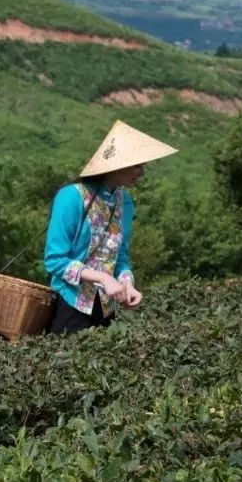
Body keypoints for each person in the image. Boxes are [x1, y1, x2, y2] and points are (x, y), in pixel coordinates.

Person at [43, 120, 176, 334]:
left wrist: (127, 284)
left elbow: (120, 256)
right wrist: (103, 278)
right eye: (136, 165)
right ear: (118, 165)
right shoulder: (71, 197)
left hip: (106, 308)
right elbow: (54, 260)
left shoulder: (125, 202)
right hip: (69, 304)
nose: (141, 172)